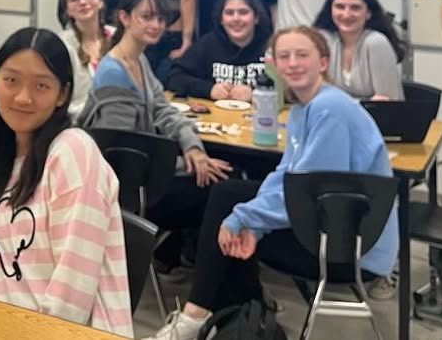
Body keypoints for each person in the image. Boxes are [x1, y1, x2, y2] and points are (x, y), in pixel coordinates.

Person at [145, 26, 399, 340]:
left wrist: (245, 218)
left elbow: (305, 191)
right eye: (284, 57)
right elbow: (284, 177)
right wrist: (252, 223)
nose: (292, 63)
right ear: (273, 66)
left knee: (229, 209)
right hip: (329, 223)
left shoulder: (329, 108)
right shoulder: (303, 109)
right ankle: (237, 321)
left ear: (322, 62)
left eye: (302, 55)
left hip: (352, 246)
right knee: (231, 200)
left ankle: (199, 319)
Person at [0, 27, 133, 338]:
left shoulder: (73, 152)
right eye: (11, 80)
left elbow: (72, 298)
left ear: (63, 95)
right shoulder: (0, 161)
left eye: (41, 85)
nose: (23, 97)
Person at [78, 0, 231, 188]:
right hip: (132, 184)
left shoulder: (138, 60)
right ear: (125, 18)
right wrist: (185, 163)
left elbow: (163, 110)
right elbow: (120, 154)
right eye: (147, 17)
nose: (156, 25)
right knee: (222, 183)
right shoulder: (113, 74)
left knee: (222, 172)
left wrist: (193, 148)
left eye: (160, 18)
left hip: (146, 169)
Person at [168, 0, 273, 101]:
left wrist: (254, 93)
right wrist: (209, 89)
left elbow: (289, 87)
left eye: (243, 12)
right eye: (229, 13)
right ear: (221, 20)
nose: (236, 18)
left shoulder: (271, 46)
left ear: (256, 18)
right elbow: (174, 78)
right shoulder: (207, 44)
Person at [313, 0, 405, 101]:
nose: (346, 14)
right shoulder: (325, 40)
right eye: (340, 7)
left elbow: (386, 101)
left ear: (368, 13)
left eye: (355, 8)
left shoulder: (376, 43)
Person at [56, 0, 113, 119]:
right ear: (68, 10)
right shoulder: (61, 44)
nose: (82, 2)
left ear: (100, 2)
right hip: (77, 123)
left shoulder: (117, 38)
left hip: (118, 120)